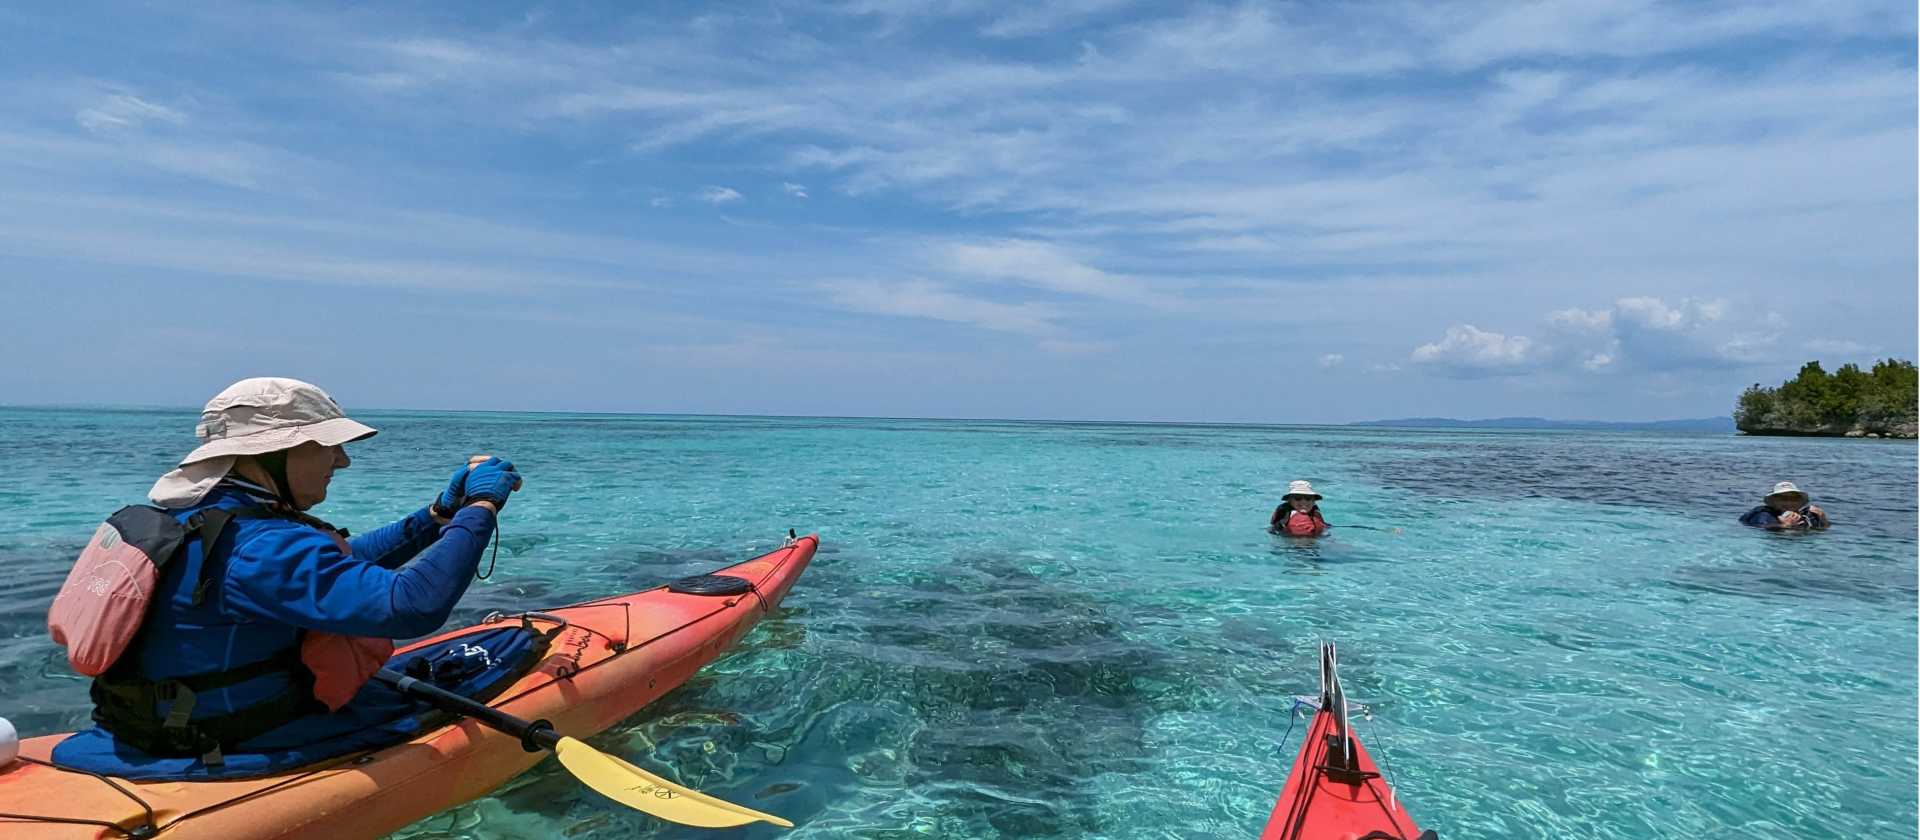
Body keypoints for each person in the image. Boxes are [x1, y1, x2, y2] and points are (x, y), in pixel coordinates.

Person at [50, 377, 523, 770]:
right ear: (273, 454)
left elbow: (336, 568)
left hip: (147, 726)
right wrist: (482, 507)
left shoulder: (200, 520)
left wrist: (438, 516)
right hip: (231, 740)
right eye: (327, 446)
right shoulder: (260, 546)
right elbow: (412, 605)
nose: (342, 460)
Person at [1738, 481, 1830, 531]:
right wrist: (1784, 525)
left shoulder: (1806, 515)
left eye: (1794, 498)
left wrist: (1823, 520)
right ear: (1773, 501)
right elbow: (1760, 527)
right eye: (1782, 498)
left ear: (1801, 502)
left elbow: (1822, 530)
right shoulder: (1764, 515)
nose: (1789, 502)